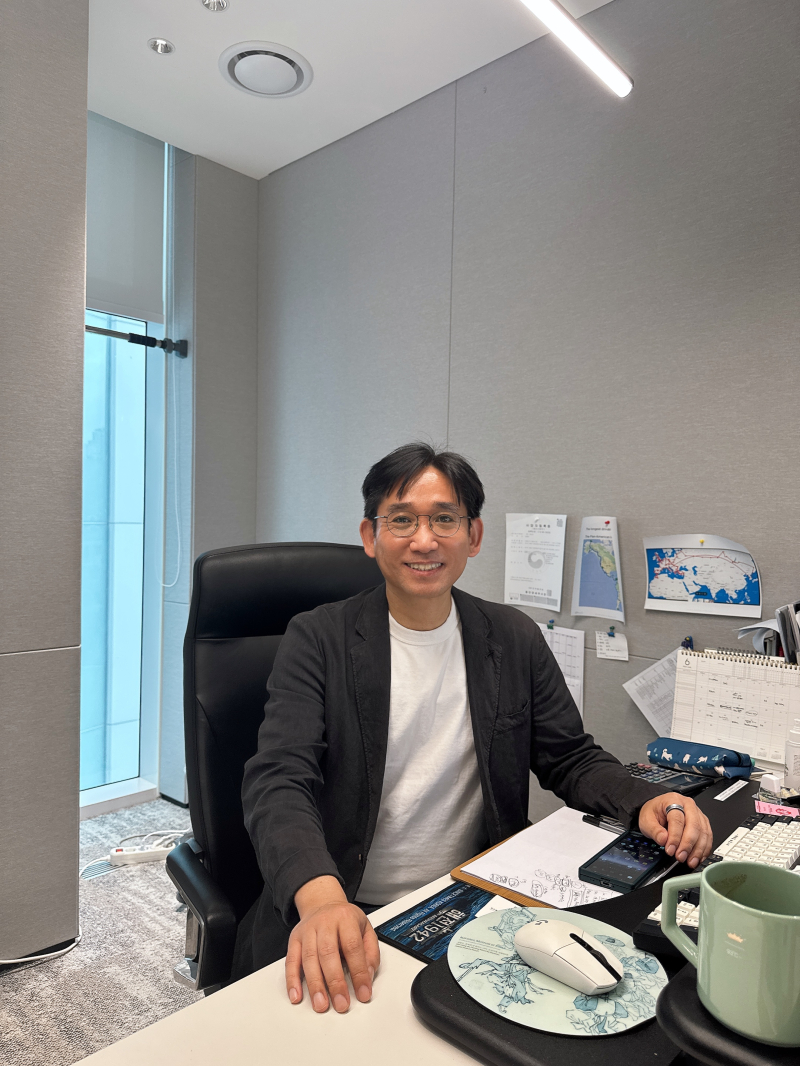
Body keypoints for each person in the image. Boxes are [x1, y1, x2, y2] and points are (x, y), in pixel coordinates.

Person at [233, 443, 713, 1011]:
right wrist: (319, 898)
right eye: (401, 520)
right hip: (344, 906)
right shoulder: (318, 638)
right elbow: (279, 778)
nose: (424, 540)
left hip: (473, 901)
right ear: (370, 535)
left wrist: (645, 799)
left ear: (474, 535)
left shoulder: (512, 637)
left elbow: (569, 756)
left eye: (445, 519)